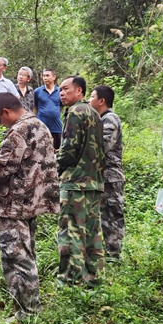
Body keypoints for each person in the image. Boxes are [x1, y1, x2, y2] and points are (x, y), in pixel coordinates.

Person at [0, 92, 60, 320]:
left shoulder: (18, 131)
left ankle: (28, 312)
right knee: (27, 254)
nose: (0, 123)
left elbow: (4, 167)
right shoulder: (40, 125)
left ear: (6, 112)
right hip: (32, 202)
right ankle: (27, 307)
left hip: (14, 204)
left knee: (16, 258)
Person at [57, 76, 105, 288]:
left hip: (76, 182)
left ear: (79, 91)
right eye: (60, 90)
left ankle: (71, 279)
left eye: (66, 89)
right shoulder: (94, 113)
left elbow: (69, 150)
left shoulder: (75, 112)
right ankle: (93, 276)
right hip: (94, 182)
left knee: (71, 231)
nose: (61, 93)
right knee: (93, 231)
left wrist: (53, 168)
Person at [89, 85, 125, 260]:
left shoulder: (109, 119)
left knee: (111, 216)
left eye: (92, 96)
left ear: (101, 101)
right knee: (101, 217)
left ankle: (113, 255)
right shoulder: (98, 119)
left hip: (110, 177)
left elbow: (102, 146)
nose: (89, 99)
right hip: (100, 176)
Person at [34, 68, 63, 150]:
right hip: (42, 126)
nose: (45, 78)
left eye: (47, 75)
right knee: (41, 149)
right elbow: (35, 107)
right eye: (43, 76)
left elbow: (62, 106)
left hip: (56, 126)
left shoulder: (60, 91)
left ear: (54, 77)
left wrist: (54, 114)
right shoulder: (37, 91)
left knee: (56, 149)